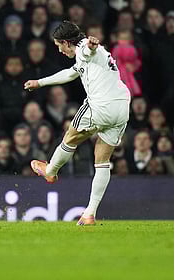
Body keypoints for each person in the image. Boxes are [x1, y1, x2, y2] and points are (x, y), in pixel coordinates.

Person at [24, 21, 130, 226]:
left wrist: (90, 45)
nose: (60, 50)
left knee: (70, 137)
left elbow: (88, 51)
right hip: (121, 107)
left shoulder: (84, 49)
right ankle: (89, 214)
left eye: (59, 46)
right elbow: (71, 73)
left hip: (100, 106)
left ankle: (51, 171)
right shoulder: (92, 54)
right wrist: (40, 82)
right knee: (102, 160)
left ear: (66, 42)